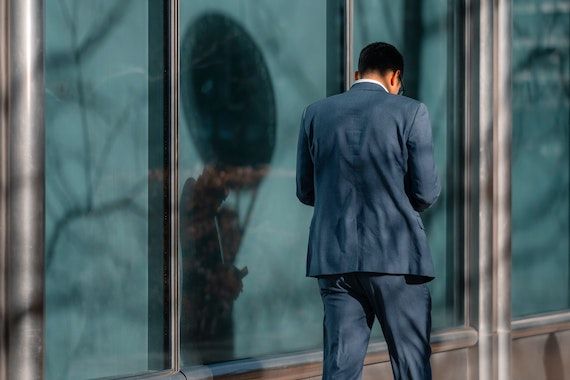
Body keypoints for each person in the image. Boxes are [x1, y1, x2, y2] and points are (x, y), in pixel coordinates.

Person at [296, 41, 441, 380]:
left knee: (340, 369)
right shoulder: (410, 112)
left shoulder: (315, 113)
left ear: (357, 75)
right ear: (396, 77)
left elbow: (305, 191)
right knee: (411, 366)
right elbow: (426, 191)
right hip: (397, 258)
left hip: (335, 260)